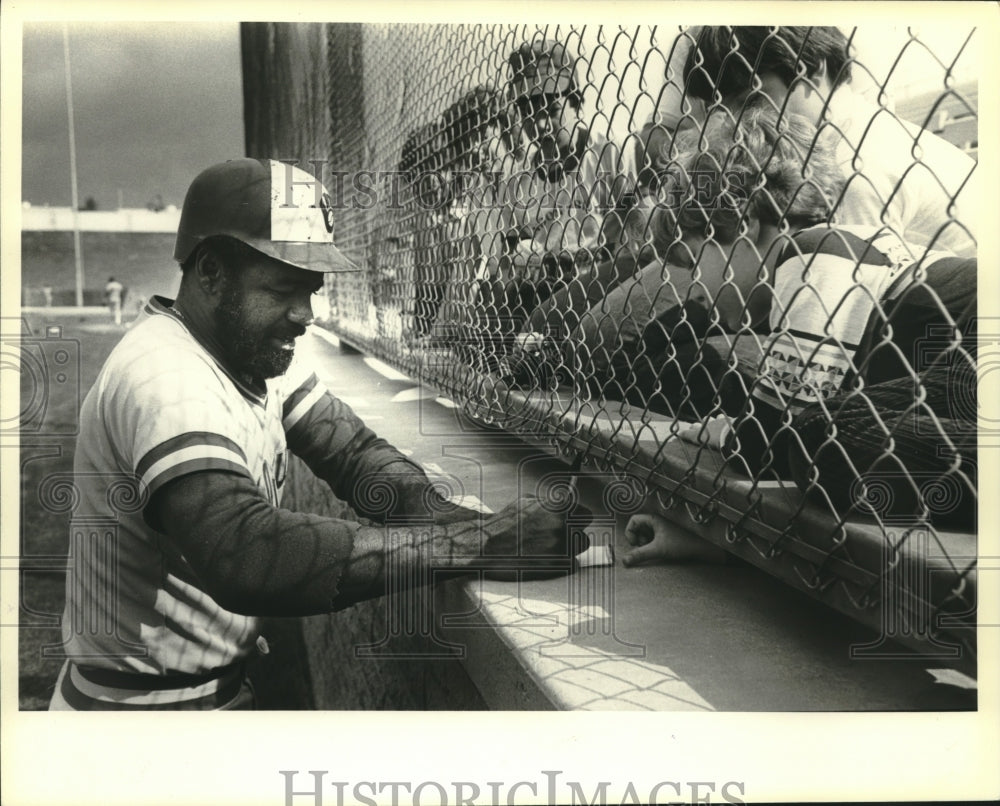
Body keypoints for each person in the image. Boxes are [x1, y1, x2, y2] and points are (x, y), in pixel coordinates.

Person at [50, 158, 590, 710]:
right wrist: (479, 544)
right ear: (210, 271)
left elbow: (352, 451)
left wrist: (449, 516)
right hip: (133, 722)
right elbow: (246, 553)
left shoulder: (248, 350)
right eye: (285, 288)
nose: (304, 313)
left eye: (311, 289)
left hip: (195, 701)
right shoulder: (165, 376)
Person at [618, 101, 977, 566]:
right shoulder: (844, 246)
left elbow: (768, 441)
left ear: (742, 222)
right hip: (962, 371)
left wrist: (722, 433)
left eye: (690, 261)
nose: (694, 289)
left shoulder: (811, 256)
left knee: (821, 439)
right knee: (823, 429)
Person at [681, 25, 978, 258]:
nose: (737, 125)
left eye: (752, 99)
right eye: (723, 111)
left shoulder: (855, 166)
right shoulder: (851, 135)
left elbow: (846, 303)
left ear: (812, 68)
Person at [476, 39, 635, 371]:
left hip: (597, 288)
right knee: (487, 307)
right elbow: (508, 253)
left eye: (550, 108)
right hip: (539, 292)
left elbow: (632, 249)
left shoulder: (608, 156)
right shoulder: (518, 180)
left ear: (575, 100)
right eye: (528, 112)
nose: (542, 125)